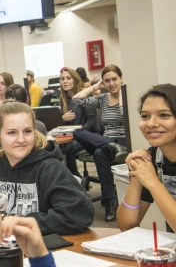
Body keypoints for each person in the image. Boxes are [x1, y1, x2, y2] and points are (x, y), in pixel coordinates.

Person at [0, 101, 94, 235]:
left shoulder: (51, 169)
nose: (21, 139)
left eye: (27, 131)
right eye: (12, 132)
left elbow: (80, 213)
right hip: (1, 250)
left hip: (40, 249)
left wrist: (23, 223)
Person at [117, 84, 176, 233]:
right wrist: (138, 176)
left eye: (164, 115)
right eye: (145, 116)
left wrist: (152, 181)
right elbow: (127, 225)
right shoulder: (154, 157)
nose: (151, 124)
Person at [72, 64, 127, 222]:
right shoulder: (103, 99)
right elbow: (77, 99)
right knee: (77, 132)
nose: (111, 84)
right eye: (107, 81)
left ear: (121, 78)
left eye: (114, 79)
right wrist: (95, 85)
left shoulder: (127, 95)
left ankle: (111, 202)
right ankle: (111, 145)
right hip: (107, 140)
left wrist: (122, 94)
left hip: (125, 140)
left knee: (98, 153)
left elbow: (126, 117)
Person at [58, 68, 92, 178]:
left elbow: (91, 124)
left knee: (68, 148)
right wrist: (62, 118)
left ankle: (74, 177)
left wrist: (77, 134)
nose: (65, 81)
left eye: (68, 78)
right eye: (62, 79)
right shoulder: (63, 99)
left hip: (85, 135)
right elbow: (59, 124)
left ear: (75, 79)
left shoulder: (85, 96)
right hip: (68, 136)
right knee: (52, 146)